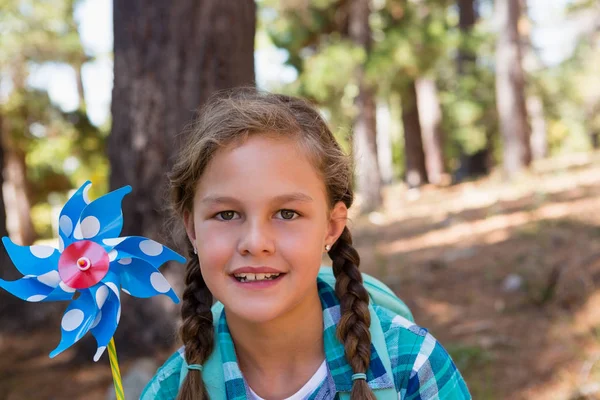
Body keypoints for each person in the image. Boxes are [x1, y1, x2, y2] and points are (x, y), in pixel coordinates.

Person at [142, 89, 471, 400]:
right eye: (227, 214)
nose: (256, 243)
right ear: (193, 230)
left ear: (331, 227)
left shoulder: (412, 367)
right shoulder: (168, 391)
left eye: (287, 213)